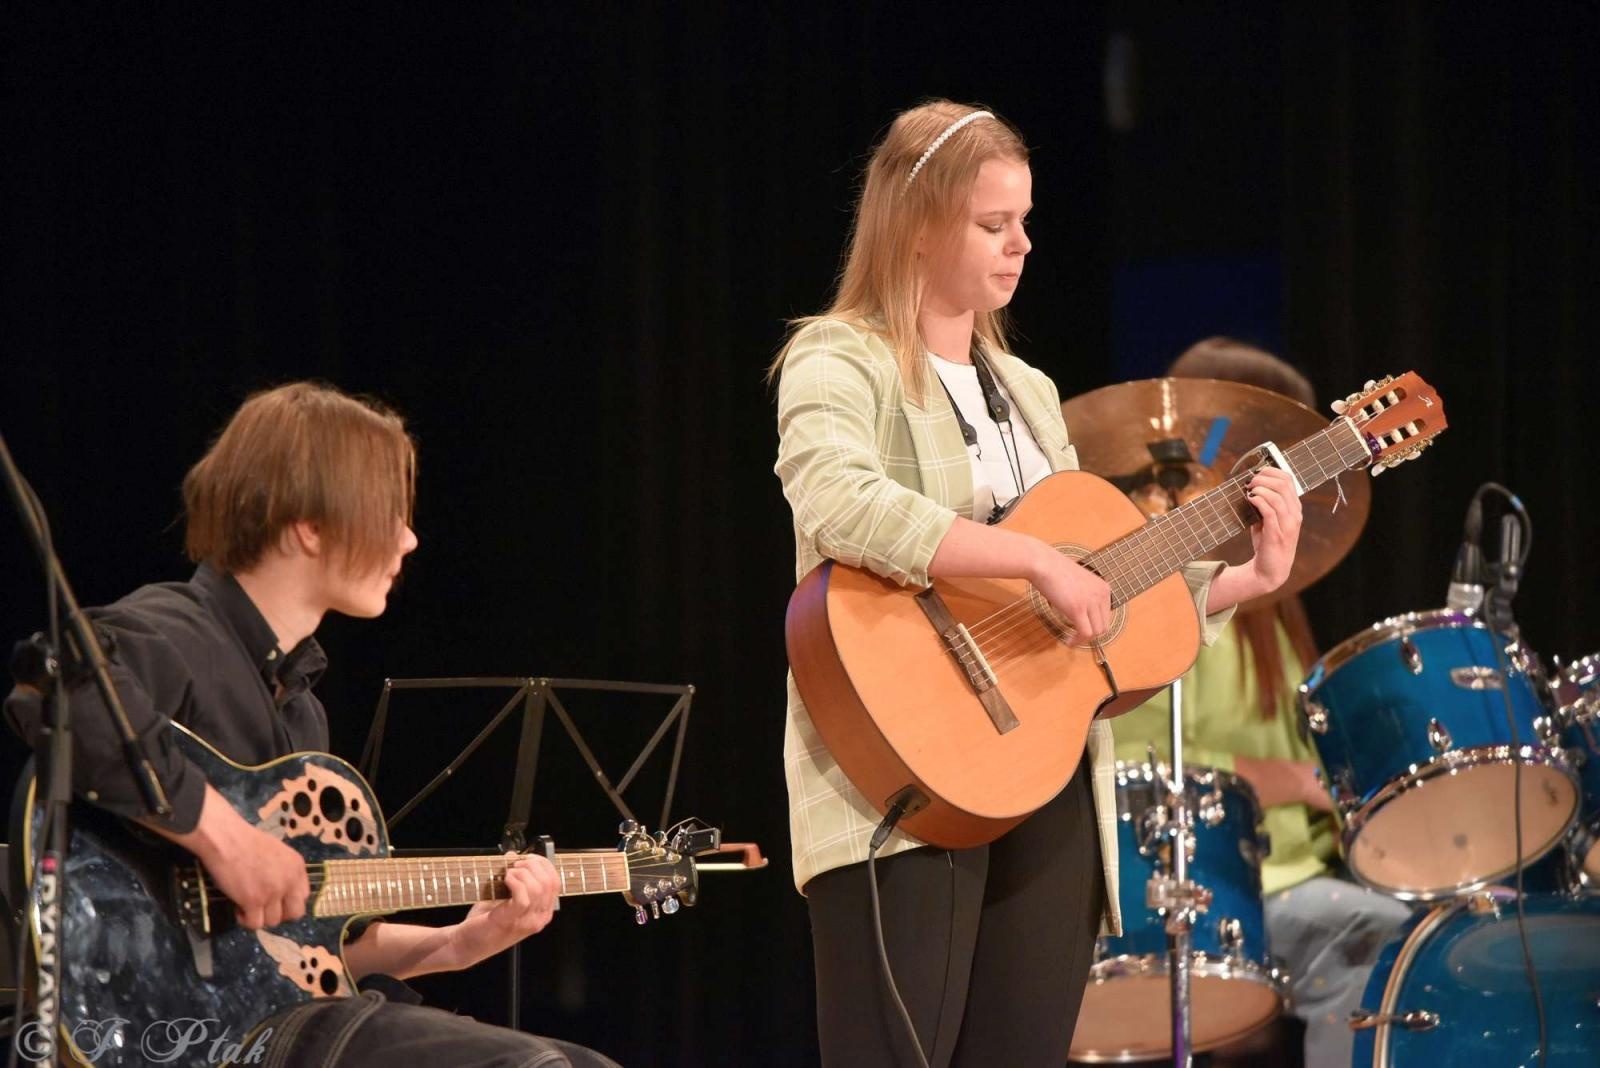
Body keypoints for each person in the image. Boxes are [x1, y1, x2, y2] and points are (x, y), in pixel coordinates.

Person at [770, 102, 1304, 1066]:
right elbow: (838, 500)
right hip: (900, 767)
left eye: (1024, 221)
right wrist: (1030, 559)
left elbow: (1101, 596)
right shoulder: (834, 356)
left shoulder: (1028, 390)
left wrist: (1243, 579)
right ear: (917, 223)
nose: (1021, 244)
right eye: (992, 224)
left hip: (1047, 772)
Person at [5, 382, 618, 1067]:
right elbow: (57, 689)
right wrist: (225, 836)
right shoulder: (175, 633)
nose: (410, 538)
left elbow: (309, 942)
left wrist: (456, 945)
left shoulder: (300, 710)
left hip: (276, 1015)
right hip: (182, 1029)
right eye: (390, 513)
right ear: (310, 524)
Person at [1112, 337, 1412, 1068]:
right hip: (1201, 884)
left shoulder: (1278, 611)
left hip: (1292, 876)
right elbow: (1129, 755)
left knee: (1412, 938)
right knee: (1376, 938)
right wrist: (1284, 780)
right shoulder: (1156, 596)